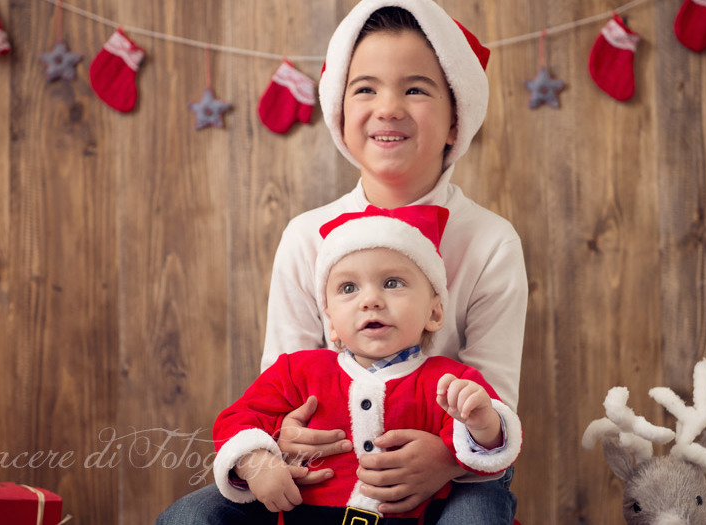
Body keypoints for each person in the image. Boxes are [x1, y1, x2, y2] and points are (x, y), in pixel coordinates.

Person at [156, 0, 528, 522]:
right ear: (339, 113)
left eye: (416, 88)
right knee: (191, 518)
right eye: (366, 88)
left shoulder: (491, 241)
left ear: (454, 121)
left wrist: (446, 458)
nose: (388, 107)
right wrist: (277, 441)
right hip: (323, 465)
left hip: (459, 466)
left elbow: (494, 400)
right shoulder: (307, 236)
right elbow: (277, 385)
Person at [212, 206, 522, 524]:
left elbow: (490, 452)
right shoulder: (297, 372)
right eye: (349, 288)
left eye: (392, 283)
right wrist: (255, 460)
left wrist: (483, 423)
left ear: (434, 313)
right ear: (330, 322)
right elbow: (237, 419)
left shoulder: (449, 381)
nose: (370, 300)